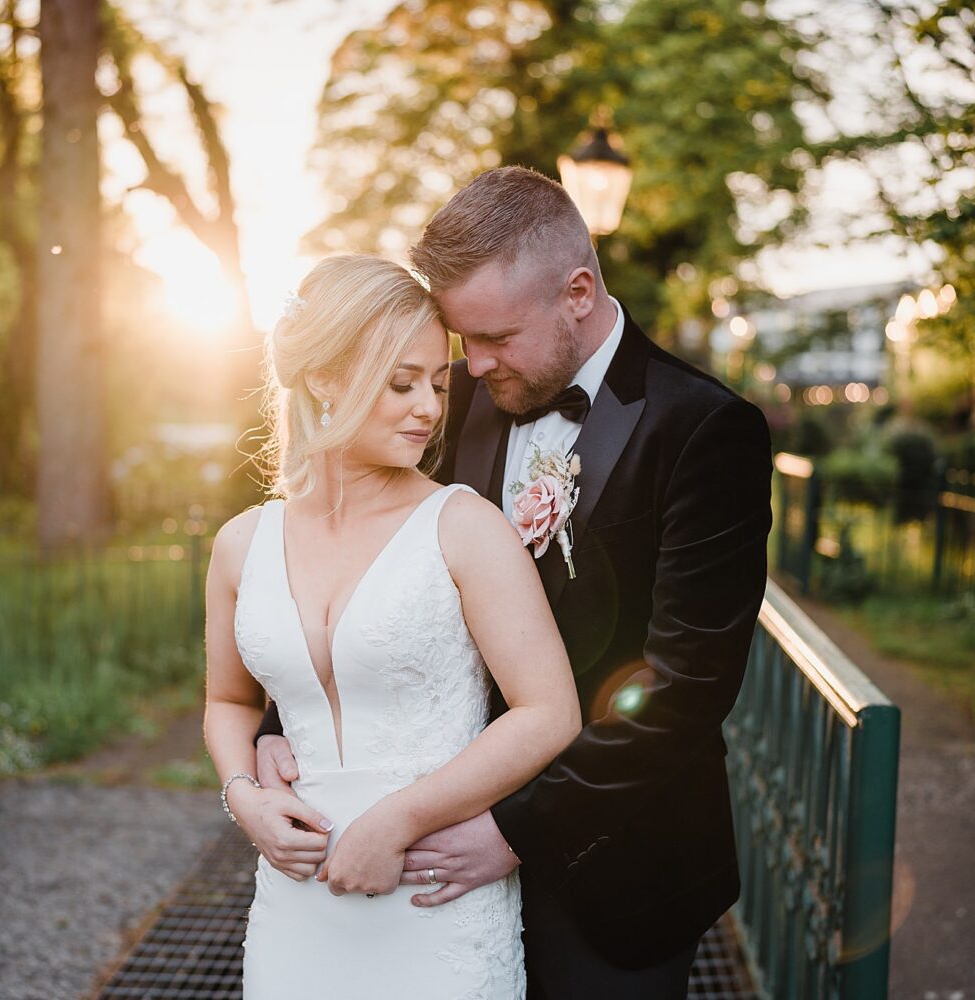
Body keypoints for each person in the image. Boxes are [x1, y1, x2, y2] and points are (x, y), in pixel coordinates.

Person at [257, 166, 773, 999]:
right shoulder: (461, 395)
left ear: (577, 291)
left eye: (495, 336)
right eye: (464, 339)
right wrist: (284, 716)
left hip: (620, 864)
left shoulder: (705, 431)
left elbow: (686, 691)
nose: (473, 362)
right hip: (434, 849)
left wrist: (513, 830)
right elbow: (362, 555)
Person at [203, 252, 582, 998]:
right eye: (402, 383)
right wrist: (244, 795)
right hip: (295, 909)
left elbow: (550, 712)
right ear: (325, 378)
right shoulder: (241, 543)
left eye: (438, 384)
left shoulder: (464, 526)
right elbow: (229, 703)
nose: (430, 409)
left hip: (433, 899)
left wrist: (398, 820)